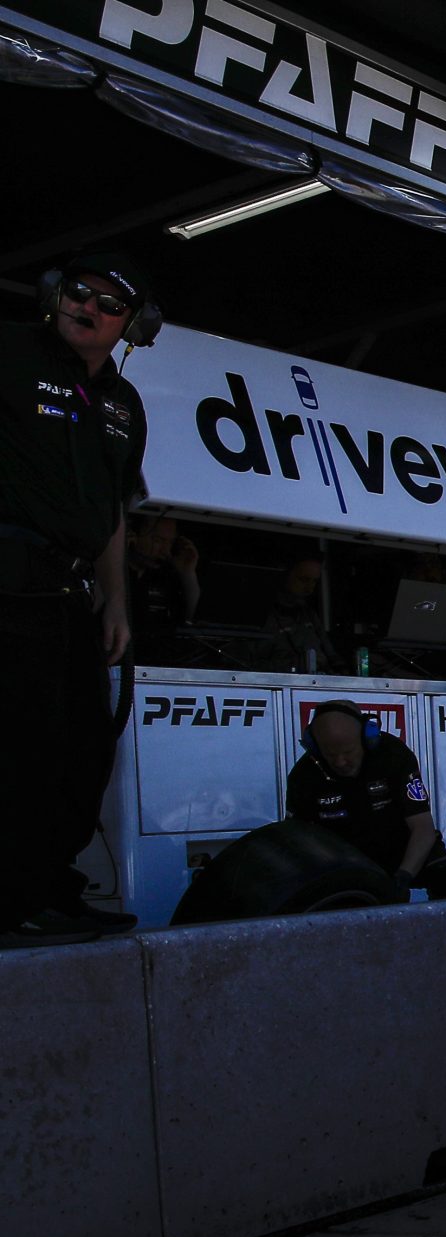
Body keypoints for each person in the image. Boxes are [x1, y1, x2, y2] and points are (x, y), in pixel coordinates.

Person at [0, 255, 153, 943]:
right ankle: (11, 903)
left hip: (74, 595)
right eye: (77, 292)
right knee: (23, 749)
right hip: (8, 576)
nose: (85, 306)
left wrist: (116, 601)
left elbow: (116, 510)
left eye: (107, 304)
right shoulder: (9, 349)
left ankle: (49, 891)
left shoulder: (123, 403)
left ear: (133, 326)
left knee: (85, 752)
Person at [284, 702, 446, 897]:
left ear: (366, 739)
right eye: (331, 755)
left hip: (401, 845)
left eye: (348, 752)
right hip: (346, 858)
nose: (340, 762)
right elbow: (296, 843)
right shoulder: (303, 776)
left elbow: (423, 828)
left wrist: (403, 877)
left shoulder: (394, 755)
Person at [123, 513, 200, 650]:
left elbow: (187, 621)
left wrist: (188, 574)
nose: (165, 551)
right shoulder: (113, 573)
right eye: (157, 540)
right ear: (133, 534)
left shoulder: (166, 576)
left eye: (170, 542)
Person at [262, 549, 343, 674]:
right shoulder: (266, 617)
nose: (310, 587)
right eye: (304, 580)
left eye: (314, 581)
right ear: (285, 575)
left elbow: (332, 656)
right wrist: (298, 663)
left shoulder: (309, 615)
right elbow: (252, 664)